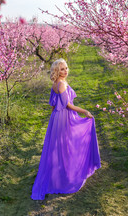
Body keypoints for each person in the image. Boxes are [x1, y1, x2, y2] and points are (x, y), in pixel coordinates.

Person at [31, 58, 101, 200]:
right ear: (57, 71)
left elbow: (52, 104)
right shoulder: (61, 84)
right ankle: (63, 179)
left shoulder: (56, 83)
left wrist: (53, 120)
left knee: (59, 147)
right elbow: (68, 105)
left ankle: (59, 173)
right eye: (62, 69)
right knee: (65, 146)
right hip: (63, 117)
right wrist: (85, 111)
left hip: (57, 117)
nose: (65, 71)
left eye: (66, 68)